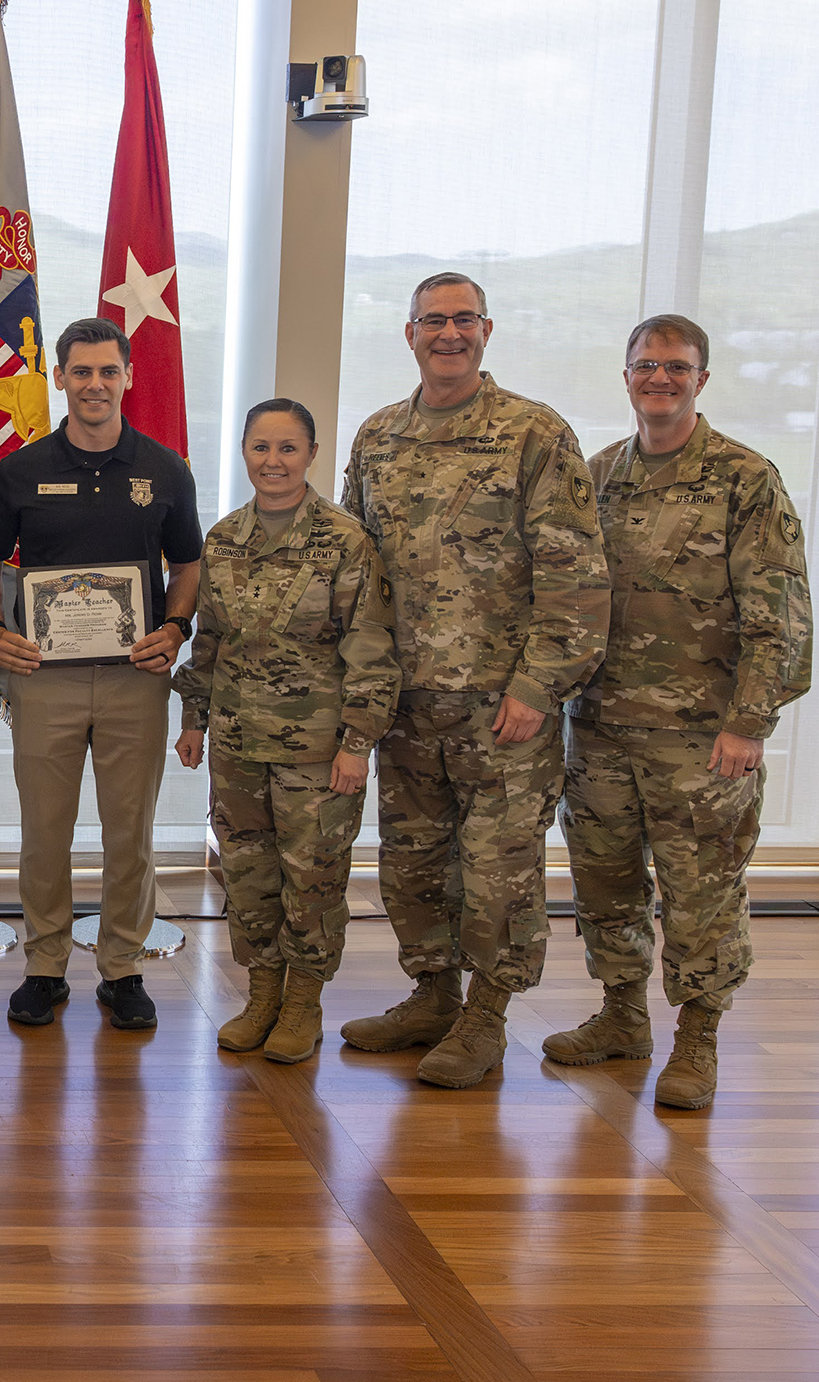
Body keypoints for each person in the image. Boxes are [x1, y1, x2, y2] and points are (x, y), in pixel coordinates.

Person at [337, 272, 609, 1088]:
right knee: (415, 862)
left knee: (499, 870)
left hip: (502, 706)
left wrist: (538, 686)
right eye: (433, 321)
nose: (448, 333)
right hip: (408, 704)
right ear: (409, 333)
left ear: (486, 330)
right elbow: (358, 570)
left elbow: (576, 574)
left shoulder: (534, 433)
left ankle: (487, 1014)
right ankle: (431, 993)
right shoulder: (378, 437)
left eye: (464, 320)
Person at [549, 315, 811, 1109]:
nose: (658, 379)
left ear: (702, 378)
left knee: (701, 894)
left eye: (675, 366)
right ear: (625, 375)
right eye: (644, 366)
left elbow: (783, 617)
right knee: (605, 883)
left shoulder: (744, 478)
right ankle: (623, 1016)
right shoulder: (596, 478)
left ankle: (698, 1038)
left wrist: (749, 722)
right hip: (599, 729)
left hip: (702, 737)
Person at [0, 316, 201, 1032]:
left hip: (137, 677)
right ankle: (44, 966)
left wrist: (175, 627)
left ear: (128, 376)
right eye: (82, 371)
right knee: (45, 829)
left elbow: (189, 563)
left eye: (109, 371)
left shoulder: (164, 470)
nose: (96, 384)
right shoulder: (20, 469)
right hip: (46, 676)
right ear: (61, 378)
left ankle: (122, 969)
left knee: (128, 831)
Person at [174, 399, 398, 1062]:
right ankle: (262, 993)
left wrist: (358, 743)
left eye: (288, 448)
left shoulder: (345, 540)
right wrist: (193, 717)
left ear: (311, 454)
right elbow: (209, 638)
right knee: (248, 875)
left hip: (318, 751)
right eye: (261, 447)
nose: (273, 461)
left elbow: (370, 647)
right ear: (244, 451)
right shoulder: (223, 539)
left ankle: (304, 1002)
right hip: (238, 743)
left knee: (313, 878)